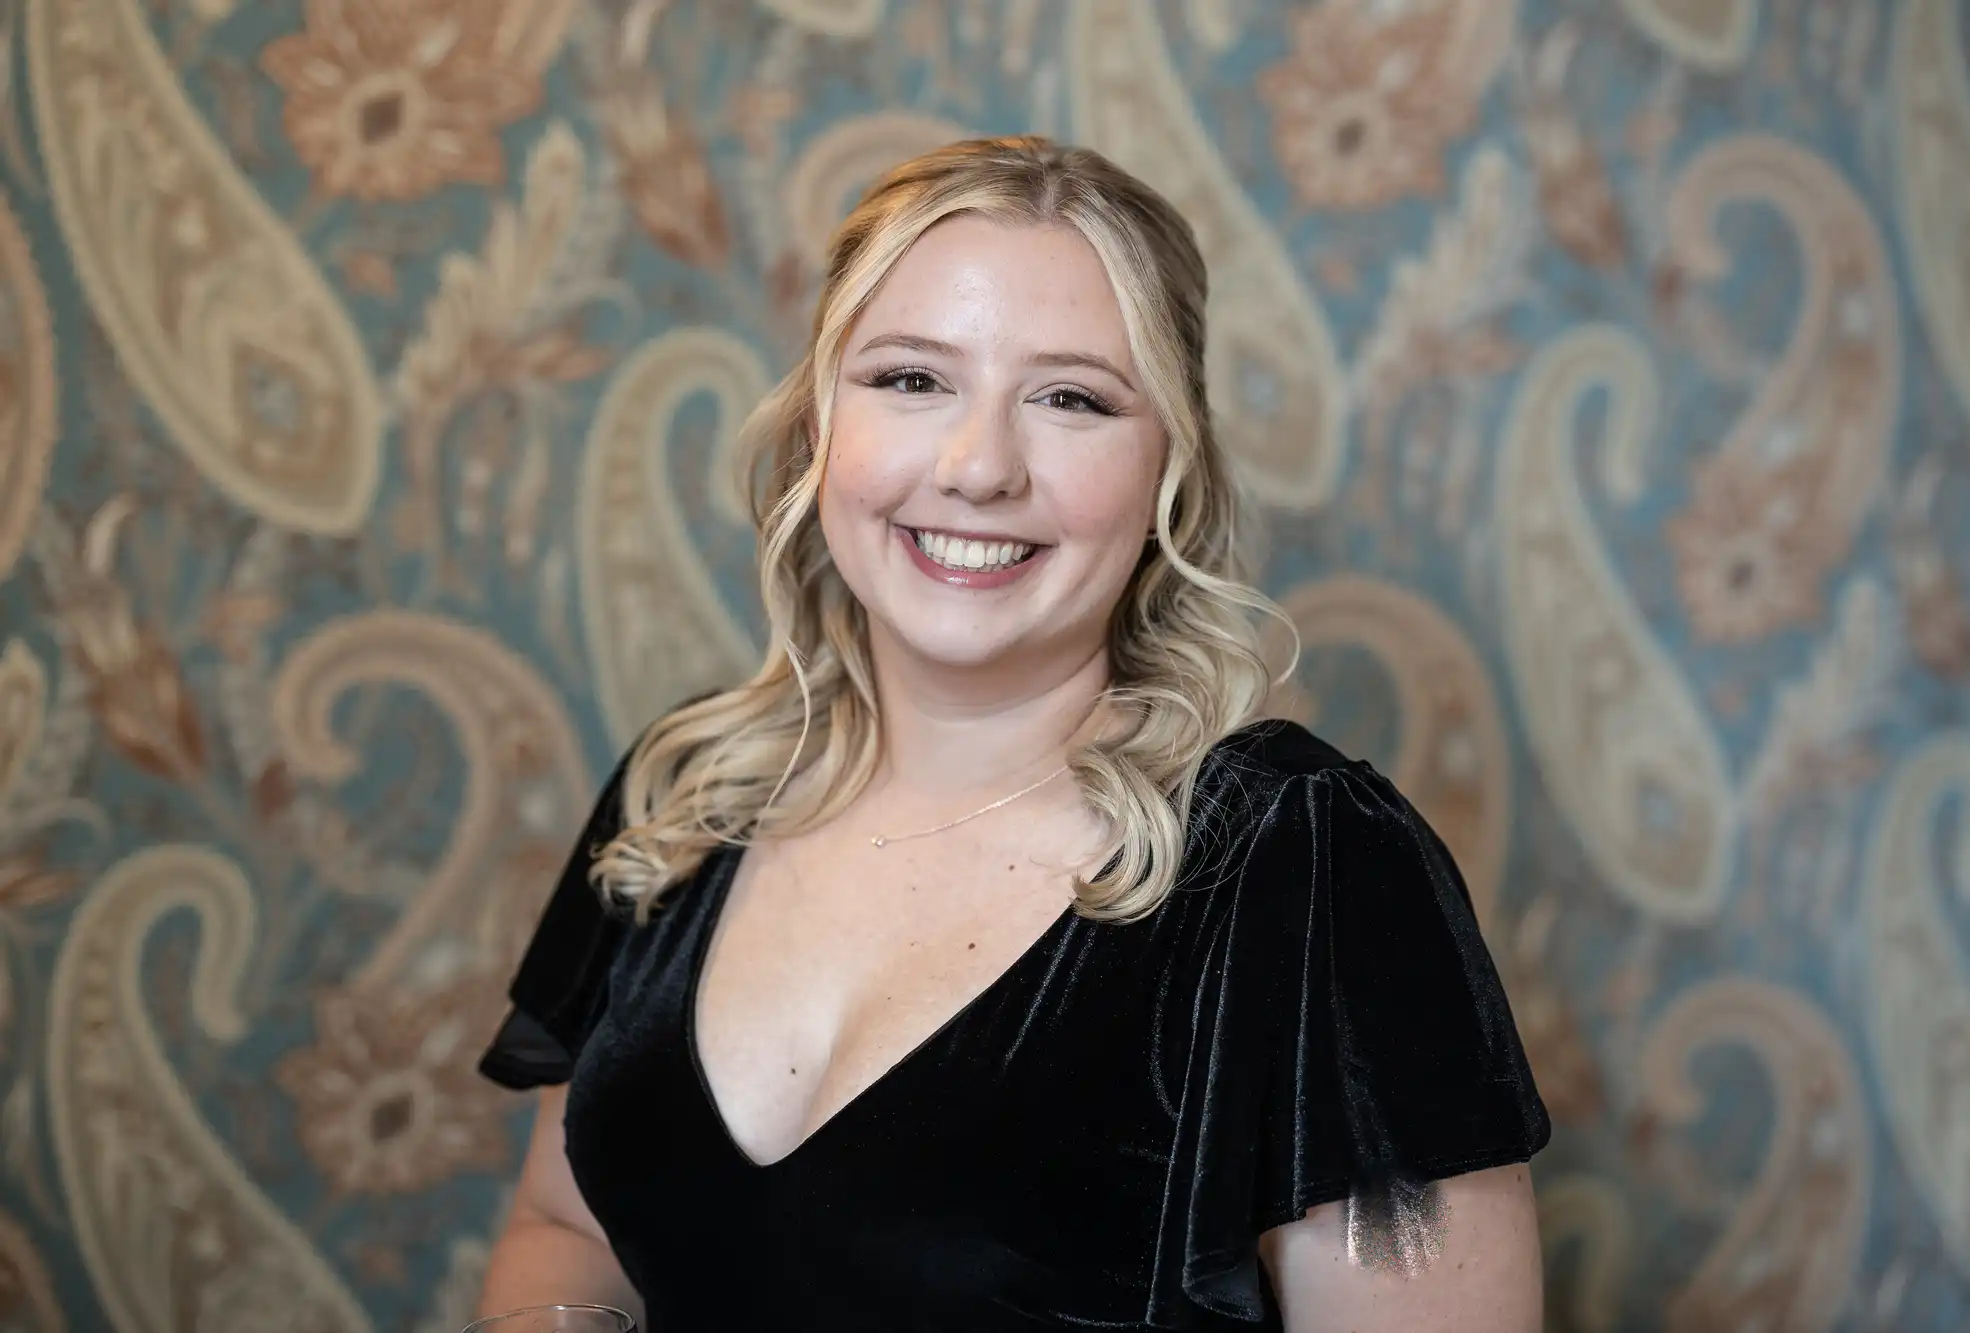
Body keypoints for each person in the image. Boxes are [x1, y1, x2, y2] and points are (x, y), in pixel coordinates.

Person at [473, 135, 1550, 1331]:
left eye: (1071, 398)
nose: (978, 466)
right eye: (910, 379)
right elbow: (565, 1229)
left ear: (1167, 472)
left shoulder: (1306, 865)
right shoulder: (684, 792)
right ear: (821, 422)